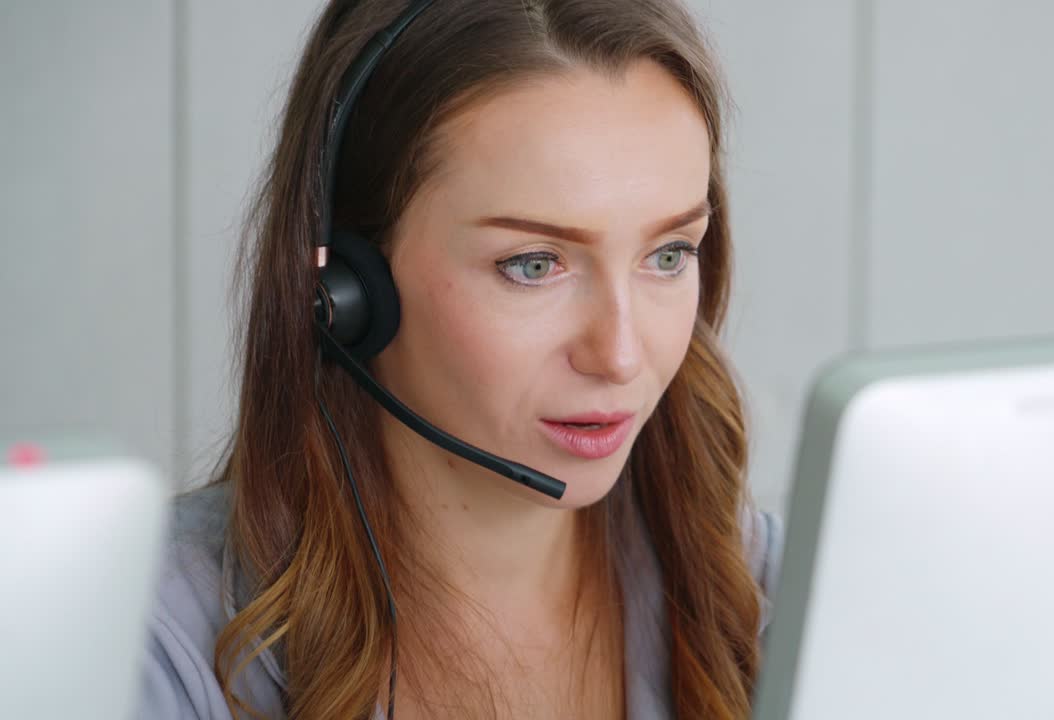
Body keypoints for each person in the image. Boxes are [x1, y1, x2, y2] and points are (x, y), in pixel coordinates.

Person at [136, 1, 782, 718]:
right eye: (534, 265)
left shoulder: (757, 589)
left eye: (667, 255)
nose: (621, 357)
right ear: (348, 291)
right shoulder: (151, 641)